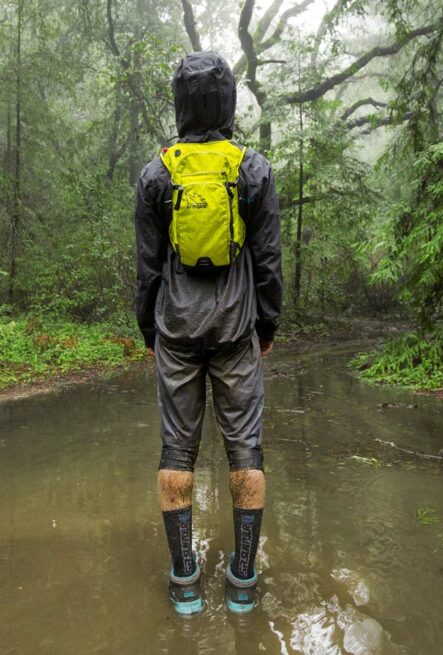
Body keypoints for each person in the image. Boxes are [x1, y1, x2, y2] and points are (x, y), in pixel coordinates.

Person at [133, 51, 283, 615]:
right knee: (246, 449)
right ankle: (242, 582)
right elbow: (267, 260)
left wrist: (149, 329)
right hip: (238, 327)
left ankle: (184, 581)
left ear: (180, 104)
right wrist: (267, 324)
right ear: (227, 102)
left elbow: (148, 266)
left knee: (177, 450)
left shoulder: (157, 173)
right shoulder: (253, 169)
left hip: (175, 331)